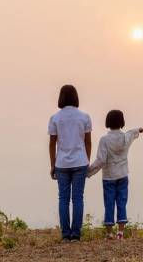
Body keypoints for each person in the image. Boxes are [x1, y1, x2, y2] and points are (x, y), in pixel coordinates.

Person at [87, 110, 143, 240]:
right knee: (122, 202)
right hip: (123, 175)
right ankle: (120, 233)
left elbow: (101, 160)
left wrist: (89, 171)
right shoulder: (125, 137)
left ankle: (108, 233)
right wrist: (139, 130)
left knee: (109, 203)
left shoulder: (104, 140)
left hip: (109, 177)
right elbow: (132, 132)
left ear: (107, 122)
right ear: (122, 122)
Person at [48, 85, 92, 242]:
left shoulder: (55, 118)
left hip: (62, 163)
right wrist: (87, 160)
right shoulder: (85, 117)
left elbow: (52, 144)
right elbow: (88, 142)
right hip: (80, 161)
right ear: (76, 97)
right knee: (78, 198)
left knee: (63, 199)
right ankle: (76, 235)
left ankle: (65, 234)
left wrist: (52, 164)